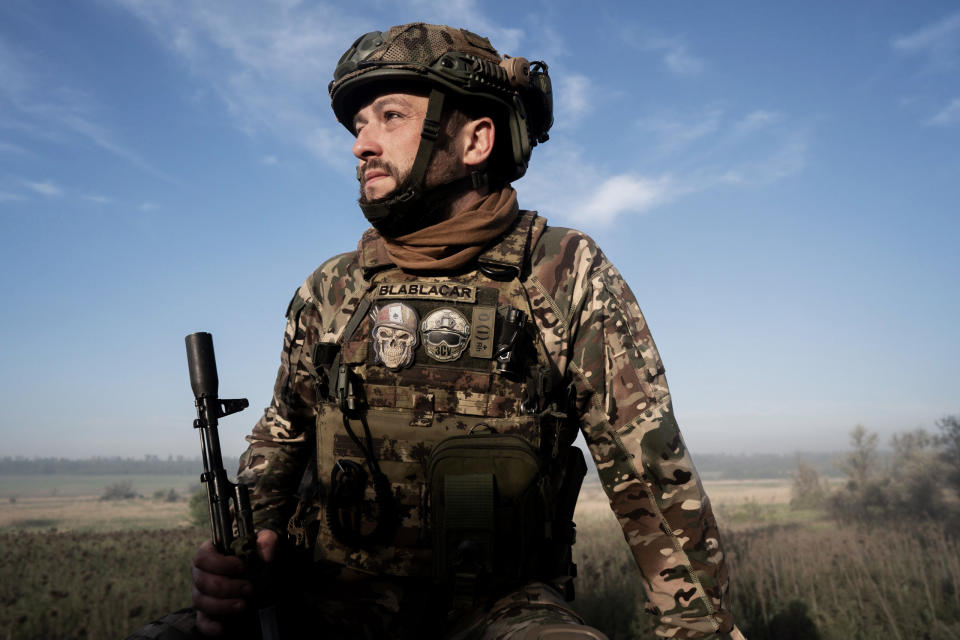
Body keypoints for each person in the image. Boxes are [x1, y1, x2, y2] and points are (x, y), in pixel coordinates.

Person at [130, 22, 745, 640]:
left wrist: (699, 629)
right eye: (357, 125)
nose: (360, 146)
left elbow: (650, 471)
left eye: (389, 116)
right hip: (328, 596)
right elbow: (282, 436)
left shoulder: (560, 270)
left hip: (502, 609)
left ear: (476, 139)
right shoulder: (335, 287)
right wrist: (249, 547)